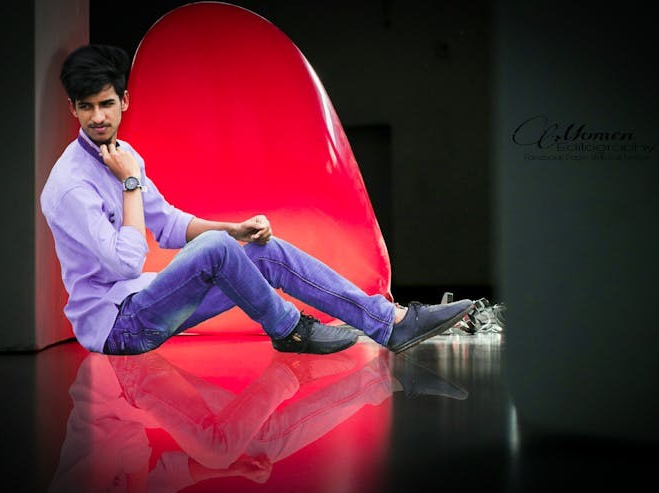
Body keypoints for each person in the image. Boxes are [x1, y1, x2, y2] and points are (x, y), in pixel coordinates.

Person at [41, 43, 504, 356]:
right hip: (119, 328)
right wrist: (130, 185)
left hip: (147, 301)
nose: (98, 117)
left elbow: (168, 226)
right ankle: (289, 329)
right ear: (73, 109)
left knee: (264, 250)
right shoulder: (72, 186)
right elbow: (125, 264)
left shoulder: (124, 156)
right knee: (216, 251)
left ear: (124, 101)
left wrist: (234, 228)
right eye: (87, 107)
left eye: (106, 104)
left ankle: (390, 323)